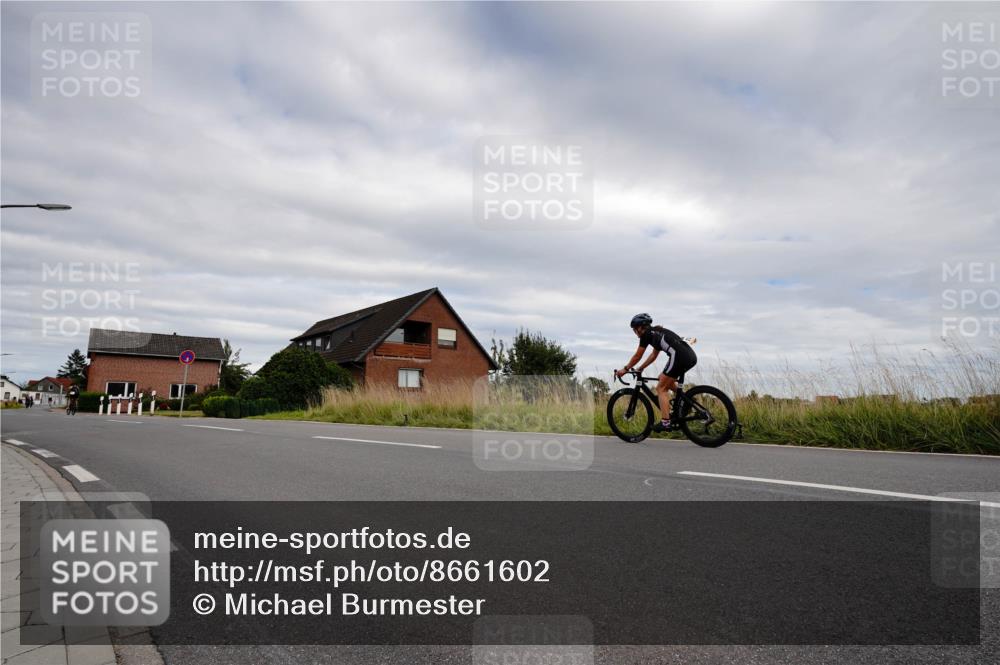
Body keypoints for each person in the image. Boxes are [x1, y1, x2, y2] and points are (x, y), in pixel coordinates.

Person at [615, 313, 697, 432]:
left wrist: (625, 369)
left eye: (634, 330)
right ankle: (687, 401)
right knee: (662, 378)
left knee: (661, 388)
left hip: (679, 356)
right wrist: (641, 368)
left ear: (640, 327)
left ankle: (665, 422)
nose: (635, 333)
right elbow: (654, 355)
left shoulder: (646, 335)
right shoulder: (657, 333)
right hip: (690, 356)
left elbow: (638, 355)